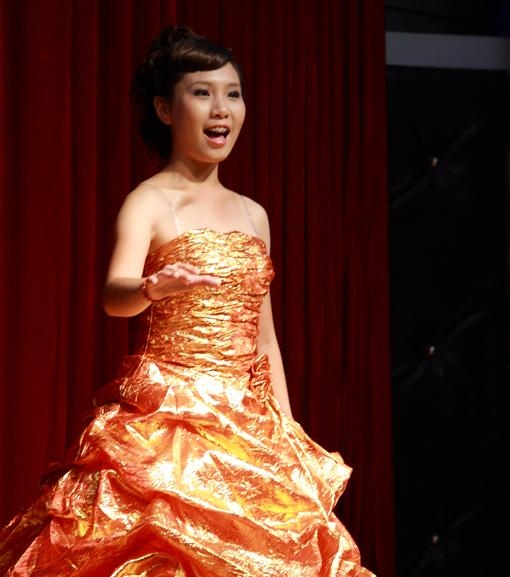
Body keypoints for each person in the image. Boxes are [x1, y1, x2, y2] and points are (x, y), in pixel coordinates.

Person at [0, 25, 374, 577]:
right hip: (170, 419)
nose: (221, 108)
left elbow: (264, 337)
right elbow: (114, 296)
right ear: (165, 109)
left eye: (233, 94)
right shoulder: (150, 202)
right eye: (202, 92)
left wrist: (289, 434)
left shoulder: (254, 214)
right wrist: (152, 287)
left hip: (247, 425)